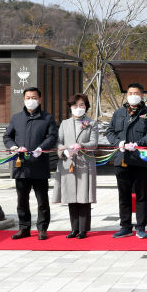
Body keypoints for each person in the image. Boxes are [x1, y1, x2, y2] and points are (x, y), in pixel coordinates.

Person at [3, 87, 58, 240]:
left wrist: (42, 147)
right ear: (24, 99)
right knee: (22, 200)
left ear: (39, 99)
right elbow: (7, 136)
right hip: (21, 166)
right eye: (28, 97)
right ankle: (24, 228)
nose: (31, 100)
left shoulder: (47, 118)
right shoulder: (16, 118)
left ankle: (42, 228)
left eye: (34, 97)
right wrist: (13, 146)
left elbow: (52, 136)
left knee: (42, 200)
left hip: (39, 165)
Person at [105, 83, 147, 239]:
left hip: (141, 160)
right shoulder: (119, 113)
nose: (133, 95)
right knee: (124, 195)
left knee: (141, 195)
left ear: (142, 95)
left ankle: (141, 226)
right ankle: (125, 226)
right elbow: (110, 132)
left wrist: (138, 143)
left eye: (136, 93)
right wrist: (118, 143)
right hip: (122, 160)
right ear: (127, 95)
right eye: (130, 92)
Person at [52, 94, 98, 239]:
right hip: (68, 163)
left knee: (84, 196)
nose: (78, 108)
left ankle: (83, 229)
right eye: (75, 106)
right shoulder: (64, 123)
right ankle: (74, 228)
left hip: (85, 163)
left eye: (81, 105)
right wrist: (64, 150)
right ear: (70, 107)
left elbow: (94, 143)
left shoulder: (92, 123)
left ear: (86, 107)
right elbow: (58, 142)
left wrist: (82, 145)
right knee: (71, 196)